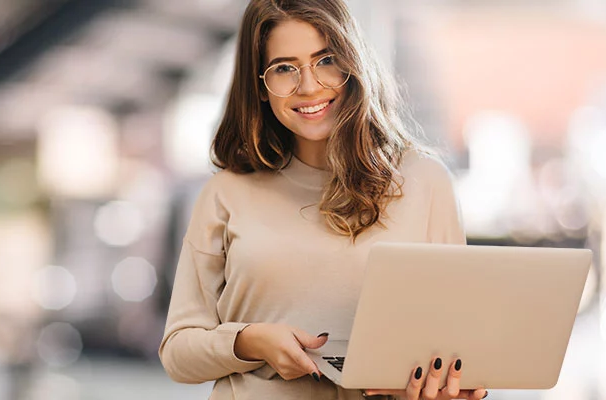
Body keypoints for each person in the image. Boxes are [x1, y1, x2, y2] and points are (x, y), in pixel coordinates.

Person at [158, 0, 487, 399]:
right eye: (283, 68)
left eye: (326, 60)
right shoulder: (226, 193)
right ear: (259, 86)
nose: (309, 86)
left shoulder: (426, 182)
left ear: (353, 64)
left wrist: (449, 387)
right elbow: (178, 352)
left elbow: (453, 342)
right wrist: (249, 341)